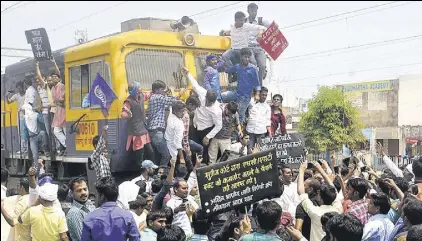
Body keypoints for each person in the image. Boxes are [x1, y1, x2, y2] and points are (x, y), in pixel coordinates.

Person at [1, 182, 69, 241]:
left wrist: (34, 205)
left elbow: (17, 221)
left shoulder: (32, 211)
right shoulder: (60, 213)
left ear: (40, 198)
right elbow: (63, 236)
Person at [183, 67, 223, 165]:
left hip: (206, 130)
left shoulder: (217, 110)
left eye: (211, 102)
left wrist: (208, 137)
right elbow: (195, 85)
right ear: (206, 97)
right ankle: (192, 165)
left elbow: (219, 125)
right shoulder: (202, 93)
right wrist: (188, 73)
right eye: (208, 101)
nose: (208, 103)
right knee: (193, 148)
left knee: (204, 151)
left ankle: (203, 166)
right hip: (195, 126)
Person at [80, 176, 140, 241]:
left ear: (102, 196)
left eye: (98, 194)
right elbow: (135, 239)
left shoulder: (89, 218)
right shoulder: (127, 216)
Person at [297, 161, 343, 241]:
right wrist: (320, 169)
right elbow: (333, 189)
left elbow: (301, 192)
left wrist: (301, 170)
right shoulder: (338, 210)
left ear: (320, 196)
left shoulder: (315, 212)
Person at [147, 80, 186, 167]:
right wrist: (180, 93)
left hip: (155, 132)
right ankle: (161, 175)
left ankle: (158, 173)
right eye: (162, 89)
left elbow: (167, 105)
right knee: (166, 155)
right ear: (156, 90)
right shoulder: (157, 97)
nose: (164, 91)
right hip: (157, 132)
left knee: (159, 155)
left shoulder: (154, 98)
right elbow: (174, 102)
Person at [221, 48, 260, 124]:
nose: (247, 59)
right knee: (220, 96)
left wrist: (257, 95)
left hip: (245, 97)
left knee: (240, 115)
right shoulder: (238, 66)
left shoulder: (253, 69)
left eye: (248, 57)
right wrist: (221, 65)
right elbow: (228, 70)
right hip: (236, 93)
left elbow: (257, 83)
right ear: (241, 57)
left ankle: (239, 132)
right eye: (245, 57)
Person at [121, 81, 151, 169]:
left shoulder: (141, 96)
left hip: (143, 127)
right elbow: (123, 114)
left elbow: (148, 94)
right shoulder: (128, 101)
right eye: (139, 87)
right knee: (139, 153)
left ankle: (150, 170)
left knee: (150, 151)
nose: (141, 88)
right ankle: (141, 171)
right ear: (136, 91)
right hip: (136, 131)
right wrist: (127, 114)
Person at [246, 2, 271, 84]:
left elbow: (274, 27)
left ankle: (259, 84)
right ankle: (253, 83)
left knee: (262, 66)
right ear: (248, 11)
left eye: (255, 10)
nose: (253, 12)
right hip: (248, 47)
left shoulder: (261, 21)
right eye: (251, 10)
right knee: (253, 64)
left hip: (259, 48)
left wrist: (263, 31)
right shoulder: (244, 21)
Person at [246, 86, 272, 150]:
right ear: (259, 94)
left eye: (266, 95)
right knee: (249, 150)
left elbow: (268, 121)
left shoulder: (267, 107)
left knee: (260, 150)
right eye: (263, 95)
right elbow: (244, 111)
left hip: (261, 131)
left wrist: (270, 133)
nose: (264, 97)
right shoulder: (251, 102)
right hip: (250, 130)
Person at [6, 81, 28, 154]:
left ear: (23, 87)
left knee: (28, 131)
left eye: (20, 88)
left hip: (28, 115)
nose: (19, 90)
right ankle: (22, 148)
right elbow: (9, 102)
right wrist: (6, 96)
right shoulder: (16, 95)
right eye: (18, 88)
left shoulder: (27, 94)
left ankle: (28, 148)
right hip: (20, 115)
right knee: (21, 132)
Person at [165, 101, 187, 166]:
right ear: (175, 111)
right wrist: (181, 157)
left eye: (184, 111)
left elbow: (171, 106)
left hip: (167, 146)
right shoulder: (178, 124)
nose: (183, 113)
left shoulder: (171, 114)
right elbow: (177, 143)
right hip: (174, 152)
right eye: (181, 111)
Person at [50, 71, 67, 156]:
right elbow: (54, 101)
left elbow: (62, 99)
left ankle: (67, 147)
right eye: (53, 77)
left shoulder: (62, 86)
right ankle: (67, 145)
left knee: (65, 129)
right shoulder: (53, 88)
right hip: (58, 110)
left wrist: (58, 102)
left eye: (56, 77)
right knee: (56, 130)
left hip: (64, 110)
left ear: (59, 78)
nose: (54, 78)